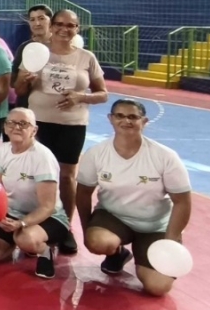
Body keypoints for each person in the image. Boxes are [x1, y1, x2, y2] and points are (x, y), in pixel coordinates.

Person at [14, 9, 107, 256]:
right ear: (52, 26)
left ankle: (65, 226)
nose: (64, 29)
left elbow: (103, 94)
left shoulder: (86, 57)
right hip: (37, 124)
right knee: (35, 174)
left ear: (77, 29)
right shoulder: (36, 52)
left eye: (71, 25)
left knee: (66, 177)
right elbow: (19, 89)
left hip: (72, 125)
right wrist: (25, 80)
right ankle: (35, 221)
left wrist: (81, 97)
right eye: (60, 24)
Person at [76, 100, 192, 296]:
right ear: (110, 119)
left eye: (133, 117)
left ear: (144, 121)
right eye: (119, 116)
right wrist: (87, 229)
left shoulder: (165, 156)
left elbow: (182, 201)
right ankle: (117, 253)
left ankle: (144, 253)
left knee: (157, 287)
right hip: (114, 217)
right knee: (98, 242)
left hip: (155, 226)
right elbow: (83, 193)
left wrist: (169, 243)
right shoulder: (96, 154)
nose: (126, 121)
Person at [0, 108, 67, 279]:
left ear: (34, 130)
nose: (16, 127)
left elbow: (47, 207)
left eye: (23, 123)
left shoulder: (43, 157)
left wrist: (21, 224)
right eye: (11, 123)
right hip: (12, 214)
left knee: (26, 239)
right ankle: (14, 242)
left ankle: (44, 250)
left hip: (48, 217)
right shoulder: (1, 151)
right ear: (5, 127)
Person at [10, 5, 52, 108]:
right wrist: (23, 80)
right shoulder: (24, 47)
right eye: (32, 20)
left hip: (53, 108)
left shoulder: (60, 47)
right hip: (27, 107)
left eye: (41, 18)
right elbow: (13, 83)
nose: (37, 23)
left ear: (51, 21)